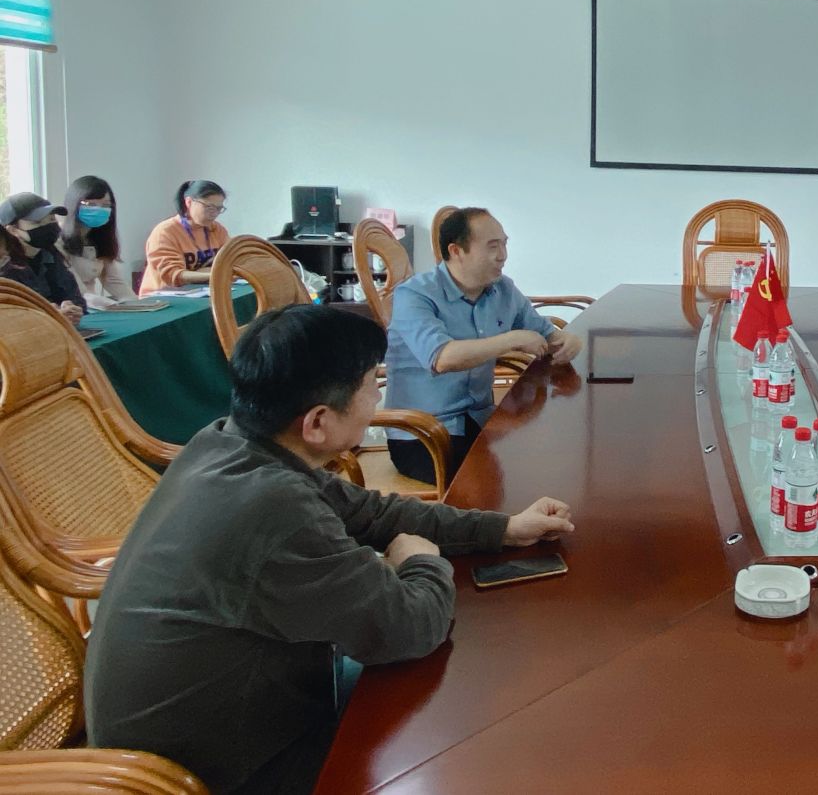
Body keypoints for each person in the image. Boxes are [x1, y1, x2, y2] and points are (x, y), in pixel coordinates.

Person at [83, 304, 577, 795]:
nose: (378, 394)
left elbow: (374, 514)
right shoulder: (273, 510)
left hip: (248, 712)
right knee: (469, 734)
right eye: (369, 386)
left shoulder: (230, 445)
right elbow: (409, 628)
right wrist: (422, 562)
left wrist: (505, 528)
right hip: (224, 773)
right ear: (317, 422)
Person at [385, 207, 584, 485]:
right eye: (492, 246)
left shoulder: (503, 289)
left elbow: (546, 334)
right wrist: (511, 340)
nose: (503, 255)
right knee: (510, 480)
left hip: (480, 418)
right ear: (456, 251)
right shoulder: (415, 295)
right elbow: (442, 358)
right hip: (426, 433)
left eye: (504, 244)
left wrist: (569, 341)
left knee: (554, 453)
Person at [0, 191, 85, 322]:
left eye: (51, 220)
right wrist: (47, 315)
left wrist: (73, 308)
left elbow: (76, 299)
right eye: (37, 222)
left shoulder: (52, 256)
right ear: (13, 230)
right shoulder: (5, 266)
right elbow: (9, 316)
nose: (48, 227)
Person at [56, 174, 137, 309]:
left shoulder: (98, 236)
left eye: (106, 205)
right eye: (91, 204)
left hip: (94, 306)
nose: (99, 209)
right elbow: (75, 289)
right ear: (74, 204)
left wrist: (137, 304)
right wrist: (112, 305)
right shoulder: (57, 238)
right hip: (70, 308)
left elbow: (113, 279)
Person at [139, 179, 230, 294]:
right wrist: (214, 274)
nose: (214, 213)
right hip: (163, 297)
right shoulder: (165, 232)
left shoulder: (216, 229)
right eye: (209, 207)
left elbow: (231, 259)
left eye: (219, 209)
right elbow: (173, 275)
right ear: (189, 202)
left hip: (201, 291)